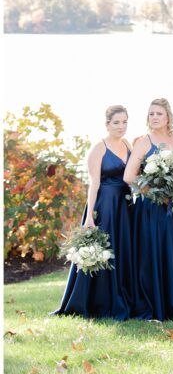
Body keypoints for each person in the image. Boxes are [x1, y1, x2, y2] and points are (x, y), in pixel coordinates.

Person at [125, 98, 173, 320]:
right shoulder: (143, 142)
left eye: (159, 113)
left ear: (168, 116)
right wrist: (155, 194)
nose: (155, 117)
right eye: (151, 114)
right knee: (155, 252)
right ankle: (158, 303)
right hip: (152, 207)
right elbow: (129, 176)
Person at [54, 104, 134, 320]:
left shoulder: (127, 143)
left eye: (125, 122)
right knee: (103, 249)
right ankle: (95, 301)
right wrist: (90, 215)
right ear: (107, 124)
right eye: (116, 122)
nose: (121, 126)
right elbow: (93, 183)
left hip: (125, 205)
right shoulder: (99, 148)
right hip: (105, 205)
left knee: (122, 248)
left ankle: (122, 295)